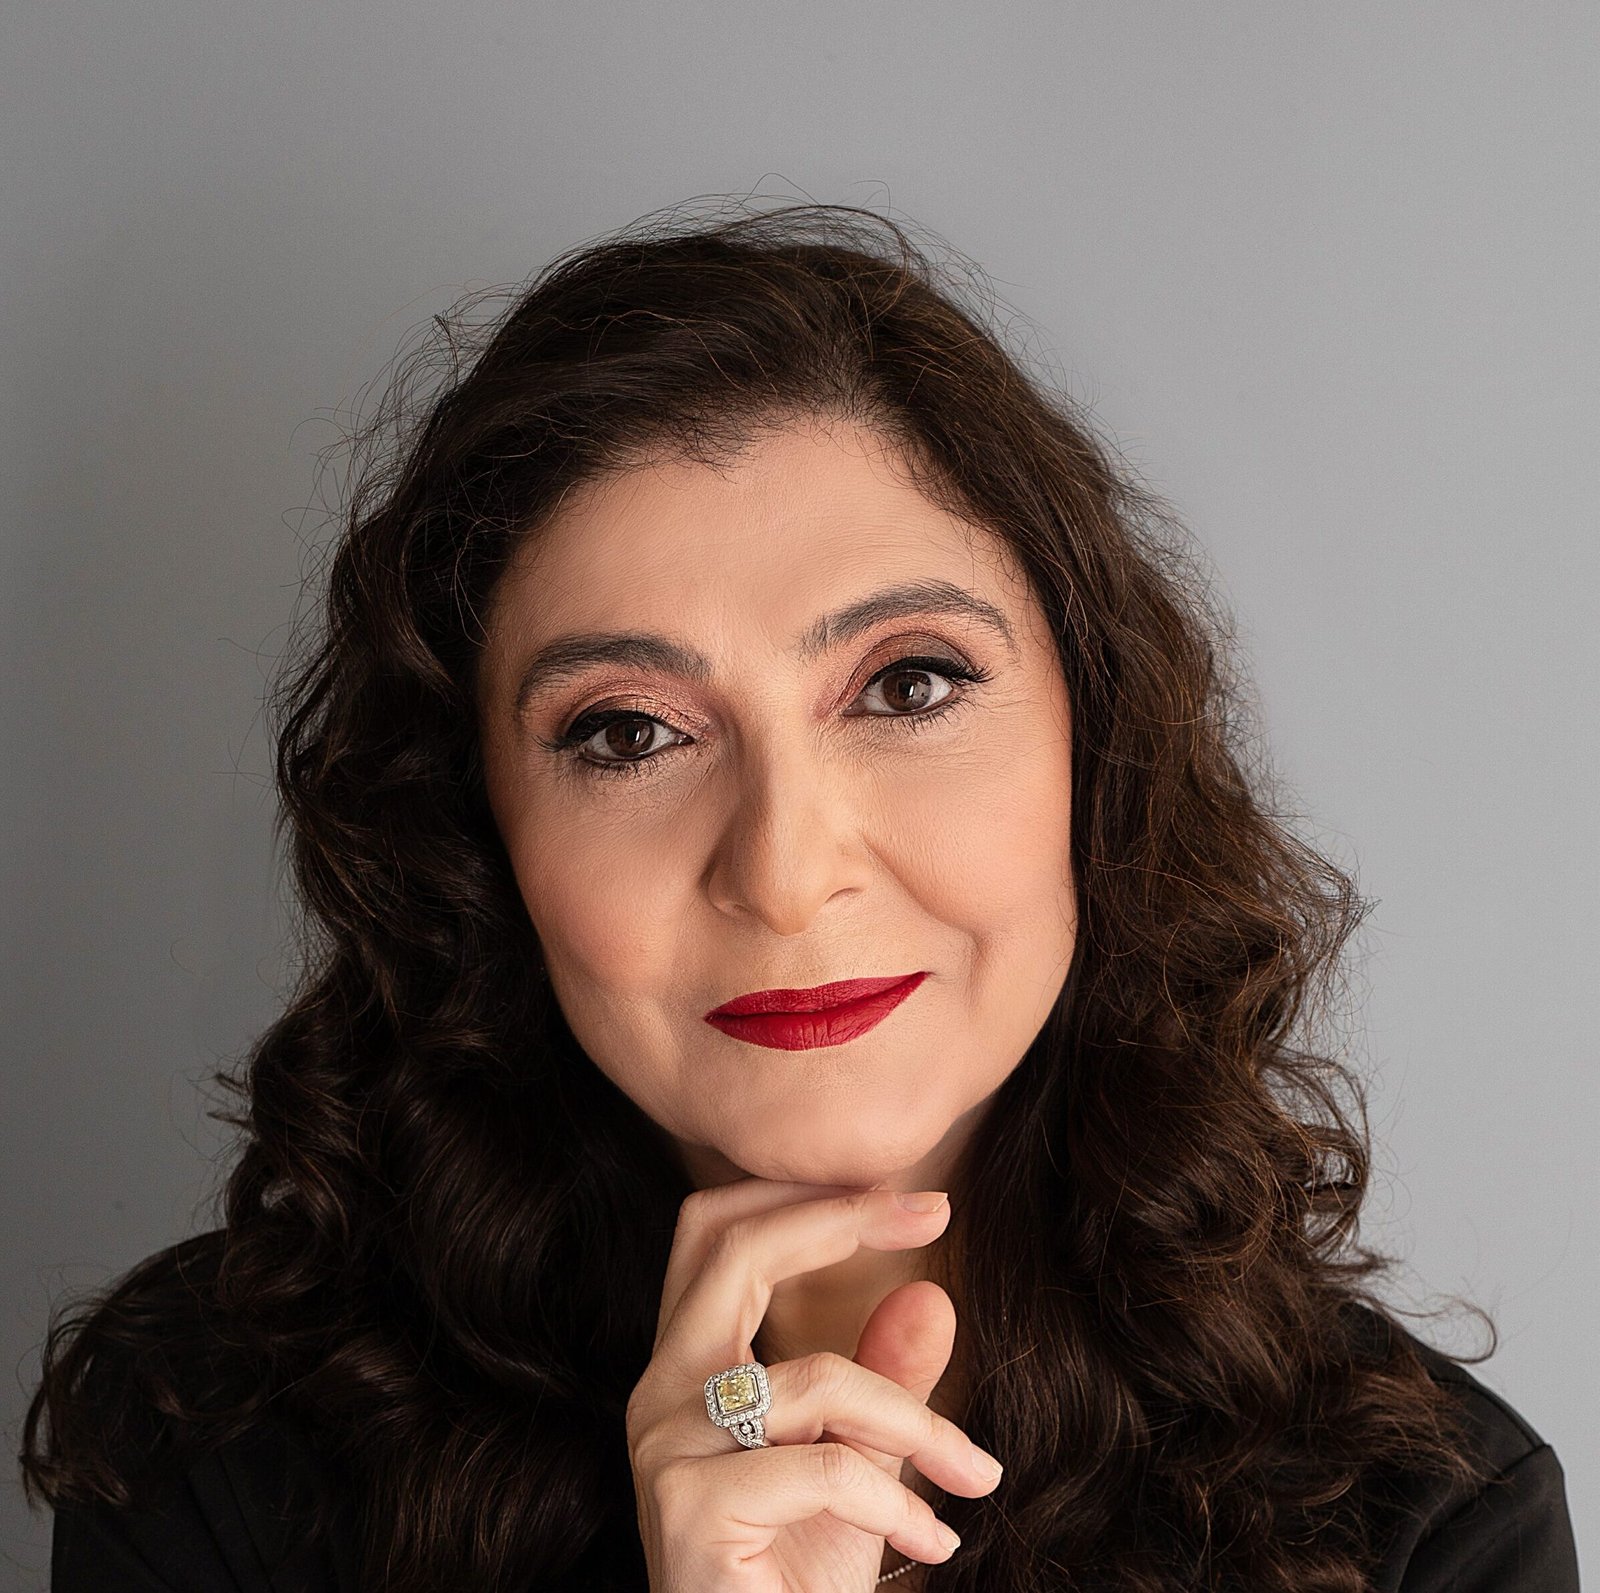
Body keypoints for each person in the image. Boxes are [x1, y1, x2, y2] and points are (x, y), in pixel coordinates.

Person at [21, 202, 1579, 1592]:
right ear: (476, 835)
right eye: (627, 733)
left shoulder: (1426, 1530)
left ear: (1094, 753)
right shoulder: (214, 1442)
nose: (782, 870)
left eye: (909, 685)